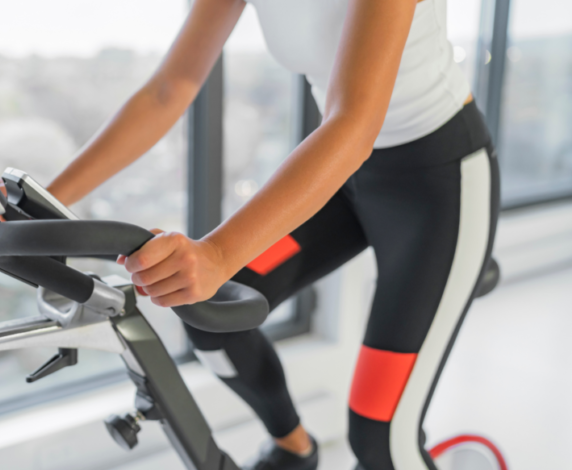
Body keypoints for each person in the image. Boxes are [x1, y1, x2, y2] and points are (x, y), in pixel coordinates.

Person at [45, 0, 499, 469]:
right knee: (215, 319)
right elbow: (169, 88)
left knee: (379, 441)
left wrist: (218, 254)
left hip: (436, 186)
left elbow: (354, 122)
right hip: (341, 181)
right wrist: (41, 205)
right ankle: (294, 450)